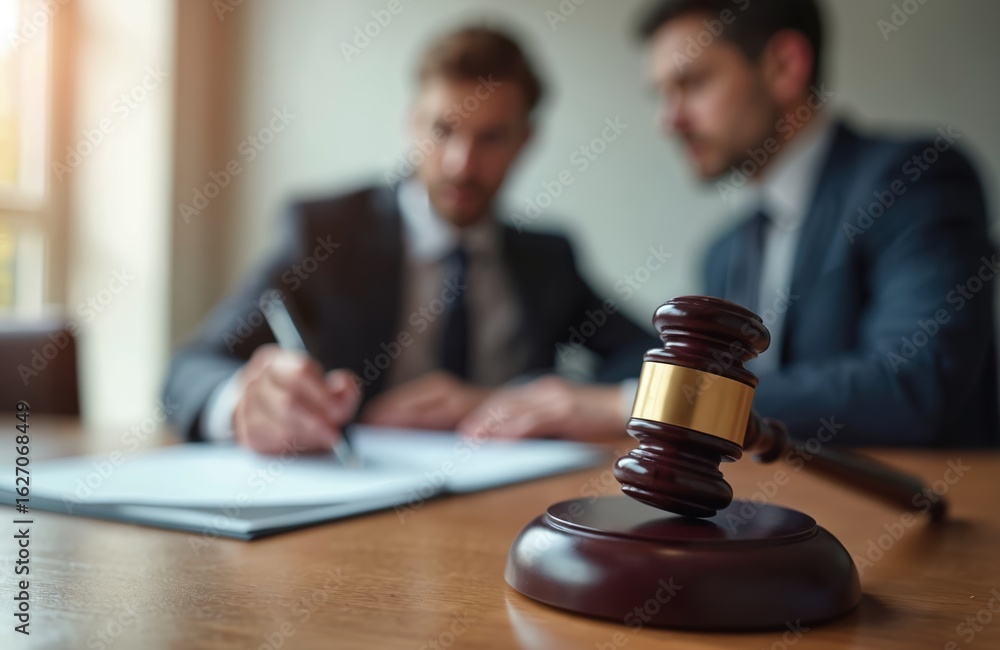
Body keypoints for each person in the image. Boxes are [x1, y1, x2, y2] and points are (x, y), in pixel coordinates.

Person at [463, 0, 998, 446]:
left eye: (691, 83)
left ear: (785, 67)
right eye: (661, 95)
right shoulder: (726, 251)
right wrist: (529, 396)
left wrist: (640, 402)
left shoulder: (913, 179)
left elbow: (914, 386)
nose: (667, 120)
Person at [163, 26, 655, 453]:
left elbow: (649, 358)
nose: (462, 163)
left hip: (509, 512)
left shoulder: (546, 257)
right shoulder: (325, 234)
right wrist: (242, 405)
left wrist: (548, 401)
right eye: (443, 130)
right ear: (411, 123)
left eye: (490, 138)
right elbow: (188, 369)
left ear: (525, 140)